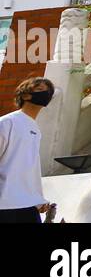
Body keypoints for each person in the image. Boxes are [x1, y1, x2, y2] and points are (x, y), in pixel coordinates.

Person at [0, 77, 53, 223]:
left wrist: (37, 198)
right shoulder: (7, 123)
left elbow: (30, 169)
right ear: (24, 95)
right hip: (5, 205)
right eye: (40, 90)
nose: (46, 93)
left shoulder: (36, 129)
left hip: (28, 205)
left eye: (48, 91)